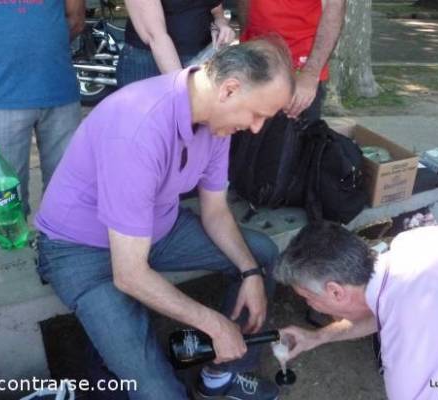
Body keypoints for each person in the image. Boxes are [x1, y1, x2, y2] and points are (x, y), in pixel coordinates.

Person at [35, 38, 295, 400]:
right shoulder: (138, 128)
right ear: (229, 89)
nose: (256, 128)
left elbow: (216, 212)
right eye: (258, 114)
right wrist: (213, 324)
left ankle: (222, 376)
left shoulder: (217, 121)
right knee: (158, 391)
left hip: (157, 229)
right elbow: (129, 274)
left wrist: (250, 273)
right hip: (82, 251)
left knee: (259, 253)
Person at [274, 221, 438, 400]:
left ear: (335, 292)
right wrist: (316, 337)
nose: (310, 305)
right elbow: (380, 315)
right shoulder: (411, 242)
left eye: (308, 298)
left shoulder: (407, 351)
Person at [0, 0, 84, 215]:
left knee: (67, 187)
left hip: (58, 89)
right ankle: (14, 244)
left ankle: (57, 241)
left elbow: (75, 20)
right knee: (5, 197)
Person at [238, 0, 345, 121]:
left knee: (293, 135)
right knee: (248, 132)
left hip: (298, 66)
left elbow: (334, 8)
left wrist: (310, 74)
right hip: (253, 58)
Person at [117, 0, 235, 87]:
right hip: (149, 63)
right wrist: (182, 87)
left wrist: (221, 24)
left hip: (200, 61)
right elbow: (154, 35)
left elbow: (216, 10)